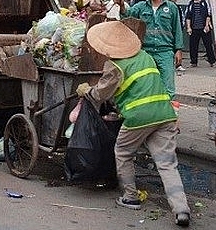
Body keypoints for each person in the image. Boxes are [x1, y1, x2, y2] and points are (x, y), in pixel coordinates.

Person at [76, 20, 190, 227]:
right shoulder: (145, 57)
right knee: (166, 163)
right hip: (164, 114)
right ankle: (181, 209)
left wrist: (85, 90)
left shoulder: (115, 66)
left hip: (139, 117)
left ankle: (130, 197)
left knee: (123, 152)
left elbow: (101, 94)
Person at [119, 0, 184, 98]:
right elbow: (127, 16)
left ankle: (168, 113)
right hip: (146, 53)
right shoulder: (140, 7)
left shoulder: (171, 7)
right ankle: (151, 115)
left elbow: (177, 29)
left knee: (168, 87)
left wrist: (178, 50)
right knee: (146, 85)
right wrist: (121, 5)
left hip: (165, 52)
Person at [185, 0, 216, 68]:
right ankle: (193, 62)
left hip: (204, 28)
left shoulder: (205, 3)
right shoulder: (190, 4)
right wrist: (188, 27)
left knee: (208, 45)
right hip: (194, 28)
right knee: (193, 46)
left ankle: (212, 61)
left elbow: (208, 14)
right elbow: (188, 17)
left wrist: (207, 25)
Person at [167, 0, 186, 72]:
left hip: (177, 30)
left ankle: (178, 64)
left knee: (178, 47)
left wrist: (181, 27)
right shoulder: (167, 7)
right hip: (169, 32)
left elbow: (182, 18)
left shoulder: (178, 7)